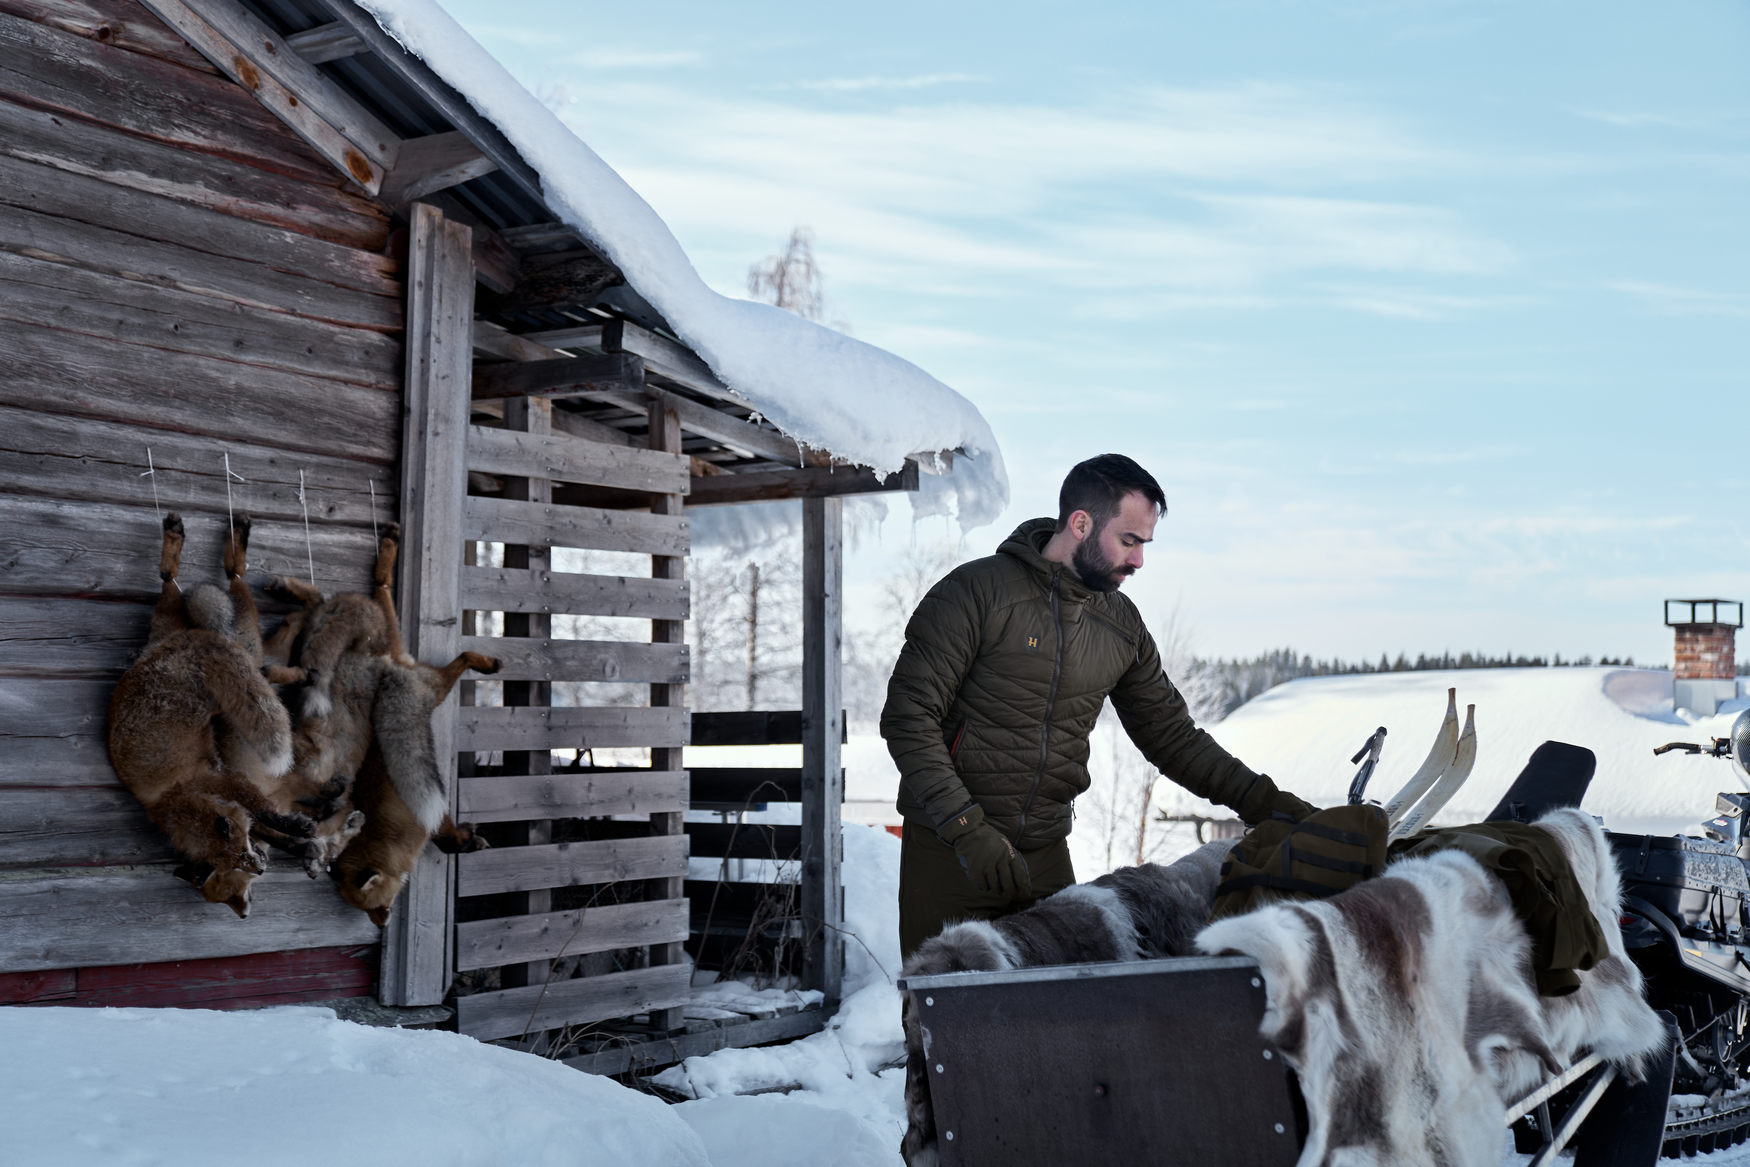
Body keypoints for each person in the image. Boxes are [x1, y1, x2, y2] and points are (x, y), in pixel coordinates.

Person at [881, 453, 1318, 956]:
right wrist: (966, 828)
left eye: (1144, 545)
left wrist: (1270, 805)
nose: (1138, 560)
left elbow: (1172, 738)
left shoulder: (1121, 627)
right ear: (1081, 523)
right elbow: (909, 719)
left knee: (1062, 1015)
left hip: (1045, 856)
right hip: (949, 851)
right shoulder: (975, 593)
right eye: (1128, 541)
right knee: (942, 1016)